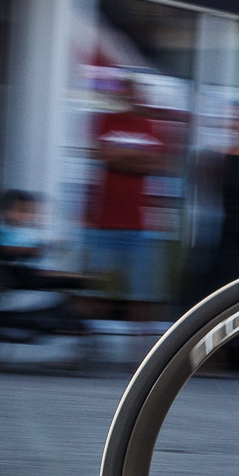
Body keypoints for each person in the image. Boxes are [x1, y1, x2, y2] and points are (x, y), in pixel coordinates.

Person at [85, 75, 167, 322]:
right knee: (94, 292)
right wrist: (135, 156)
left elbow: (153, 164)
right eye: (124, 93)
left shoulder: (148, 125)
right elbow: (104, 155)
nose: (129, 98)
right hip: (103, 223)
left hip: (138, 226)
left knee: (140, 296)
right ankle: (95, 339)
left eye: (133, 93)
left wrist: (119, 156)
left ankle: (143, 345)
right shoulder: (106, 121)